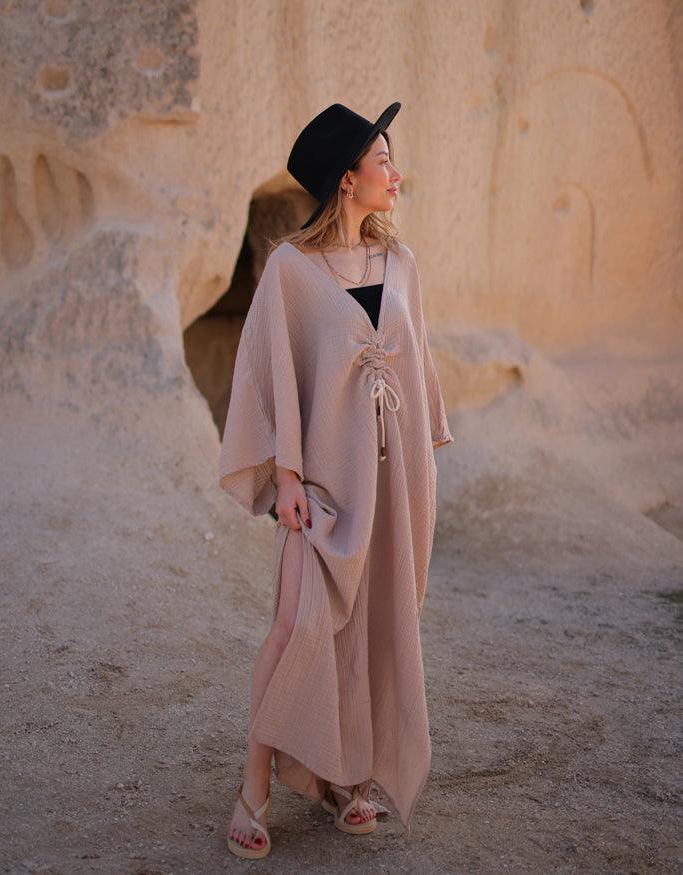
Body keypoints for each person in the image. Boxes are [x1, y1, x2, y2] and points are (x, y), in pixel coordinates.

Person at [219, 102, 454, 860]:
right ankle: (252, 787)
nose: (396, 173)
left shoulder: (403, 265)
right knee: (295, 628)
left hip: (394, 490)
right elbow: (268, 372)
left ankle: (349, 779)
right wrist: (285, 472)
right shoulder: (291, 270)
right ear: (346, 180)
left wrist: (423, 464)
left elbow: (421, 376)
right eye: (382, 160)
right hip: (320, 490)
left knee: (375, 628)